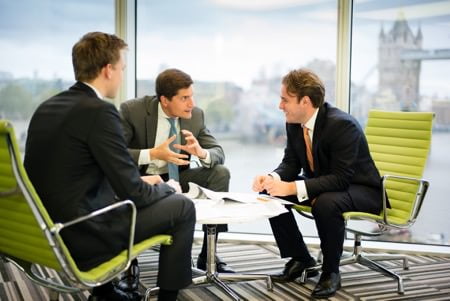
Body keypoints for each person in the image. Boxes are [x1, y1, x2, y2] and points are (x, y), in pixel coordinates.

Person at [24, 32, 195, 301]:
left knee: (144, 193)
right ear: (108, 70)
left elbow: (72, 175)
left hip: (45, 231)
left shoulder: (47, 108)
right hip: (85, 235)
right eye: (122, 69)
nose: (122, 75)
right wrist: (167, 188)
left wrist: (140, 183)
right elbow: (134, 195)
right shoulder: (100, 112)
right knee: (183, 207)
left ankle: (105, 292)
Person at [252, 68, 383, 298]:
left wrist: (293, 187)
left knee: (326, 203)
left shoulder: (342, 125)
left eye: (284, 100)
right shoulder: (294, 123)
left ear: (305, 101)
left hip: (363, 189)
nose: (280, 106)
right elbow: (290, 163)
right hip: (326, 185)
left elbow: (341, 178)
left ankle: (331, 272)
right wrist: (273, 178)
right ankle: (301, 258)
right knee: (270, 192)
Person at [119, 68, 233, 276]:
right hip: (143, 178)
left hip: (177, 177)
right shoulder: (132, 111)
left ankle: (209, 254)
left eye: (192, 96)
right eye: (184, 98)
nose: (192, 103)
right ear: (164, 100)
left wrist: (201, 152)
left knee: (220, 173)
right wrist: (152, 154)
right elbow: (115, 154)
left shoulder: (195, 116)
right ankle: (130, 263)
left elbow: (218, 153)